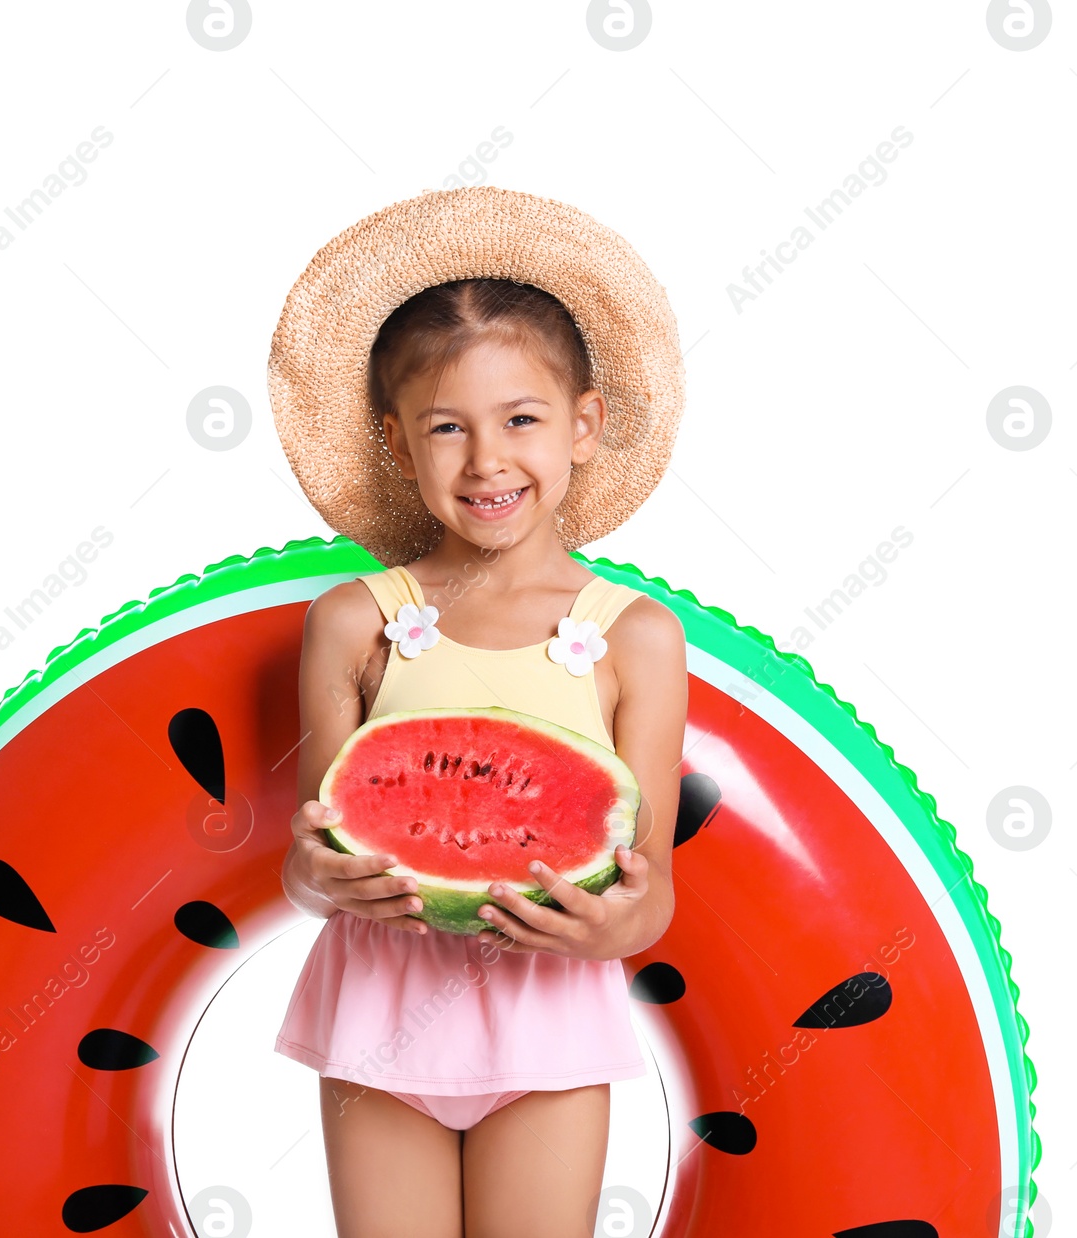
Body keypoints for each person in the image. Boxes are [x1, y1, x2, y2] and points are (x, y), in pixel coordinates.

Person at [266, 188, 690, 1238]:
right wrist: (312, 873)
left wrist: (613, 922)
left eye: (521, 419)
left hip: (549, 1018)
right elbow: (322, 851)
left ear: (584, 425)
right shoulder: (355, 621)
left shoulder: (634, 635)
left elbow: (652, 891)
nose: (486, 460)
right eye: (445, 427)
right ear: (398, 445)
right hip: (378, 1013)